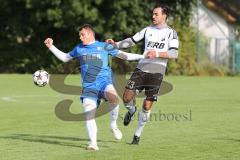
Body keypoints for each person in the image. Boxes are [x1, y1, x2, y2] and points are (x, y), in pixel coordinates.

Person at [44, 24, 146, 150]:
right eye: (79, 35)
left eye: (83, 35)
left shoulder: (104, 46)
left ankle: (113, 125)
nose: (81, 38)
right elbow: (65, 58)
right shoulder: (79, 48)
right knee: (89, 114)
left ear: (90, 34)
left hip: (104, 83)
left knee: (114, 98)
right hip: (89, 87)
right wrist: (51, 47)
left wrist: (144, 56)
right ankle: (93, 143)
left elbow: (124, 55)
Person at [106, 4, 179, 144]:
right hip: (141, 69)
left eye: (156, 14)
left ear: (164, 16)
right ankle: (132, 110)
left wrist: (156, 53)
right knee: (127, 98)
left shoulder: (171, 33)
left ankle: (137, 136)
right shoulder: (147, 30)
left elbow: (174, 53)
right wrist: (116, 44)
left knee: (147, 105)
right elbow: (131, 41)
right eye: (153, 14)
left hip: (157, 73)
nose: (153, 16)